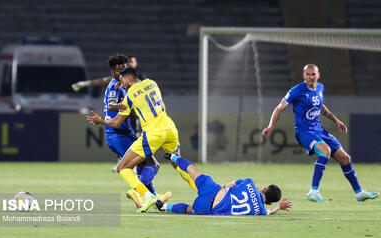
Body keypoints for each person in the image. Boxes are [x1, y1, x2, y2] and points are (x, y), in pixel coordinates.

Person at [262, 64, 379, 202]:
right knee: (326, 150)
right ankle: (313, 191)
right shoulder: (296, 91)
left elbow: (321, 107)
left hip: (319, 130)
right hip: (304, 131)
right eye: (307, 74)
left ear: (318, 75)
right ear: (303, 76)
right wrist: (270, 126)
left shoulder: (320, 88)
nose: (310, 77)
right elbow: (279, 108)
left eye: (313, 74)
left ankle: (359, 193)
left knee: (345, 158)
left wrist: (336, 120)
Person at [86, 67, 197, 212]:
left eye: (122, 81)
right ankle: (202, 191)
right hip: (169, 128)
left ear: (130, 78)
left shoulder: (130, 94)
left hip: (153, 133)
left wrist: (101, 121)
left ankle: (145, 195)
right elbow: (145, 104)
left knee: (122, 168)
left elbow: (116, 122)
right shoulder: (153, 83)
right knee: (178, 163)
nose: (121, 84)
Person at [90, 54, 169, 208]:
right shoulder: (115, 86)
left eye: (124, 69)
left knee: (143, 165)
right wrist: (128, 106)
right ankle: (140, 193)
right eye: (119, 71)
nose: (122, 74)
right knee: (152, 164)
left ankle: (154, 201)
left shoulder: (125, 86)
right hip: (118, 134)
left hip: (124, 133)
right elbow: (112, 104)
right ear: (112, 72)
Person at [155, 153, 292, 215]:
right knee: (190, 209)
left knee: (193, 171)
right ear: (268, 202)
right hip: (210, 207)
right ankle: (165, 206)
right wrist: (279, 207)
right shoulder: (260, 211)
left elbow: (229, 185)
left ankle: (173, 157)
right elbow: (270, 211)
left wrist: (224, 188)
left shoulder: (249, 182)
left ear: (265, 188)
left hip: (215, 190)